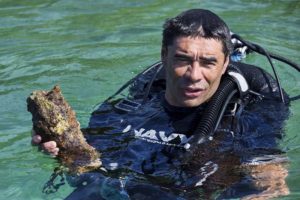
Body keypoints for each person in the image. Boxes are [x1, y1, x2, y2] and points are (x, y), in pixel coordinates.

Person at [32, 9, 290, 199]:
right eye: (182, 59)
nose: (194, 74)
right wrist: (60, 148)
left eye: (208, 63)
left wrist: (266, 179)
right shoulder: (121, 112)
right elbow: (82, 168)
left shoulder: (243, 122)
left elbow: (268, 177)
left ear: (225, 65)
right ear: (164, 56)